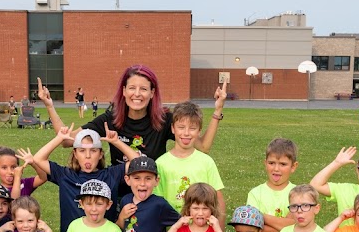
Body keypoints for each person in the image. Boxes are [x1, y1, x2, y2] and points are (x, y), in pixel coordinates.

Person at [35, 66, 227, 173]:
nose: (137, 94)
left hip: (151, 191)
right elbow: (68, 140)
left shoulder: (163, 119)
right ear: (124, 91)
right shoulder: (110, 120)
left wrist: (217, 110)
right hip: (118, 192)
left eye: (143, 89)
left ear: (152, 93)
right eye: (132, 88)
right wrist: (50, 106)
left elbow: (202, 147)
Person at [22, 124, 139, 232]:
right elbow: (38, 158)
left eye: (93, 150)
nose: (87, 156)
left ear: (100, 154)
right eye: (82, 150)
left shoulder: (111, 175)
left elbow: (137, 162)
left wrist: (116, 141)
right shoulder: (65, 175)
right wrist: (59, 138)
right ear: (75, 154)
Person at [155, 101, 226, 219]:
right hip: (173, 231)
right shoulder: (161, 164)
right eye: (181, 127)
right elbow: (157, 203)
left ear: (199, 131)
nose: (186, 133)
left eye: (192, 128)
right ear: (173, 128)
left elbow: (218, 201)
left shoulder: (206, 162)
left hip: (202, 230)